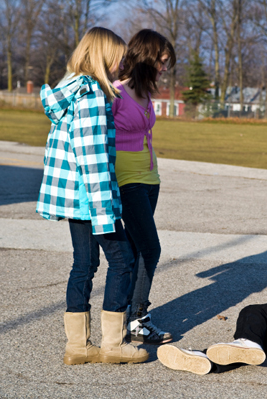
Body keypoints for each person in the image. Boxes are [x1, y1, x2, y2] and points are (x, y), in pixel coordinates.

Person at [36, 27, 148, 365]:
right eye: (118, 59)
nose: (121, 65)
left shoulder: (70, 90)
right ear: (102, 57)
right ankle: (112, 345)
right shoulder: (92, 96)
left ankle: (78, 347)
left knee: (84, 264)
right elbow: (92, 157)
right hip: (91, 198)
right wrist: (105, 211)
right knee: (123, 261)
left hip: (74, 197)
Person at [112, 29, 176, 344]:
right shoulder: (115, 93)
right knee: (151, 248)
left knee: (139, 248)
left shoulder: (146, 93)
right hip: (127, 181)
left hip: (150, 180)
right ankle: (137, 317)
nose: (164, 68)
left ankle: (126, 316)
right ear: (147, 59)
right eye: (162, 62)